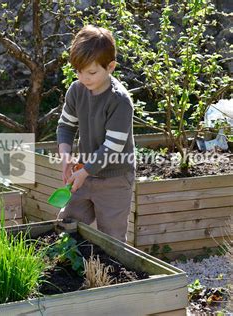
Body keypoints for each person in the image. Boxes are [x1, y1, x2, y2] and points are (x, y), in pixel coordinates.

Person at [57, 25, 136, 242]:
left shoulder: (119, 101)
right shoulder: (76, 90)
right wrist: (65, 157)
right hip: (84, 172)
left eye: (91, 72)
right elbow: (65, 127)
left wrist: (84, 172)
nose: (84, 78)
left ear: (110, 67)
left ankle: (108, 274)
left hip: (115, 178)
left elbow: (112, 148)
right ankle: (70, 269)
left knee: (111, 238)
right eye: (79, 71)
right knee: (67, 224)